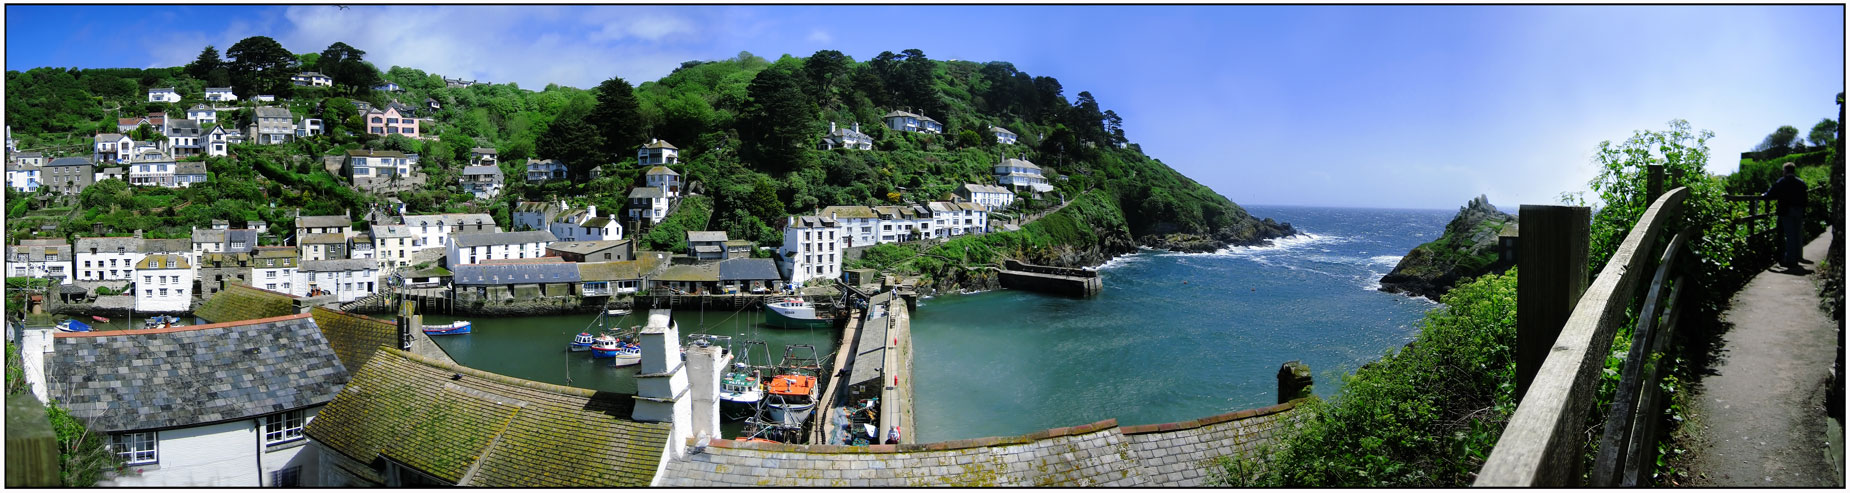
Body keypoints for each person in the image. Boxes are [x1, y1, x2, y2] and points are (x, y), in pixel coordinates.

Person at [1762, 162, 1808, 269]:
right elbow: (1805, 199)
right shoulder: (1801, 183)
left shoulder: (1782, 182)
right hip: (1799, 210)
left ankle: (1791, 260)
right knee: (1797, 234)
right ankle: (1797, 257)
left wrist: (1764, 195)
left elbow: (1771, 194)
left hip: (1786, 211)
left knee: (1790, 235)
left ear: (1786, 171)